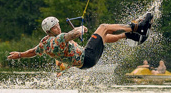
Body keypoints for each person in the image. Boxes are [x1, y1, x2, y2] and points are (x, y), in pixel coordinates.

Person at [8, 13, 153, 70]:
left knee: (104, 37)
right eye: (54, 27)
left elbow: (32, 52)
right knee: (103, 27)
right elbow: (73, 34)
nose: (57, 28)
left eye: (57, 25)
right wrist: (81, 29)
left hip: (85, 63)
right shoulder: (58, 39)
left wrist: (19, 55)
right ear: (49, 31)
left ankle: (131, 37)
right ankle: (135, 27)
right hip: (87, 56)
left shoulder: (44, 43)